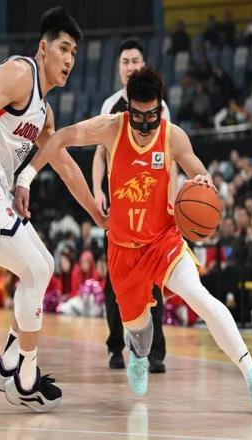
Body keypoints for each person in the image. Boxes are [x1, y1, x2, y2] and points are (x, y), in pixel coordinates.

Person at [18, 67, 252, 412]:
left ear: (160, 108)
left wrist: (204, 183)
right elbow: (59, 139)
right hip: (123, 251)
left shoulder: (173, 136)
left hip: (163, 241)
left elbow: (200, 174)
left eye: (152, 116)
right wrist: (26, 177)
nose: (145, 126)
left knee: (200, 298)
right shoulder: (111, 128)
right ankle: (139, 354)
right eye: (138, 117)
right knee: (140, 332)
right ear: (128, 108)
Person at [0, 7, 106, 413]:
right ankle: (25, 379)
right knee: (38, 269)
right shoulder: (19, 73)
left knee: (42, 266)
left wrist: (98, 215)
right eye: (63, 49)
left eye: (74, 53)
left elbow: (64, 165)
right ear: (43, 48)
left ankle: (8, 365)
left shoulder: (44, 113)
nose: (69, 59)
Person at [92, 38, 173, 373]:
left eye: (135, 61)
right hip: (120, 210)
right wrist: (97, 190)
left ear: (143, 65)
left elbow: (170, 155)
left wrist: (171, 199)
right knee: (116, 282)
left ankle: (155, 352)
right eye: (125, 61)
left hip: (151, 210)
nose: (130, 66)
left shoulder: (160, 107)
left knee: (154, 281)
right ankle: (116, 347)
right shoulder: (110, 106)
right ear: (118, 68)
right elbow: (99, 154)